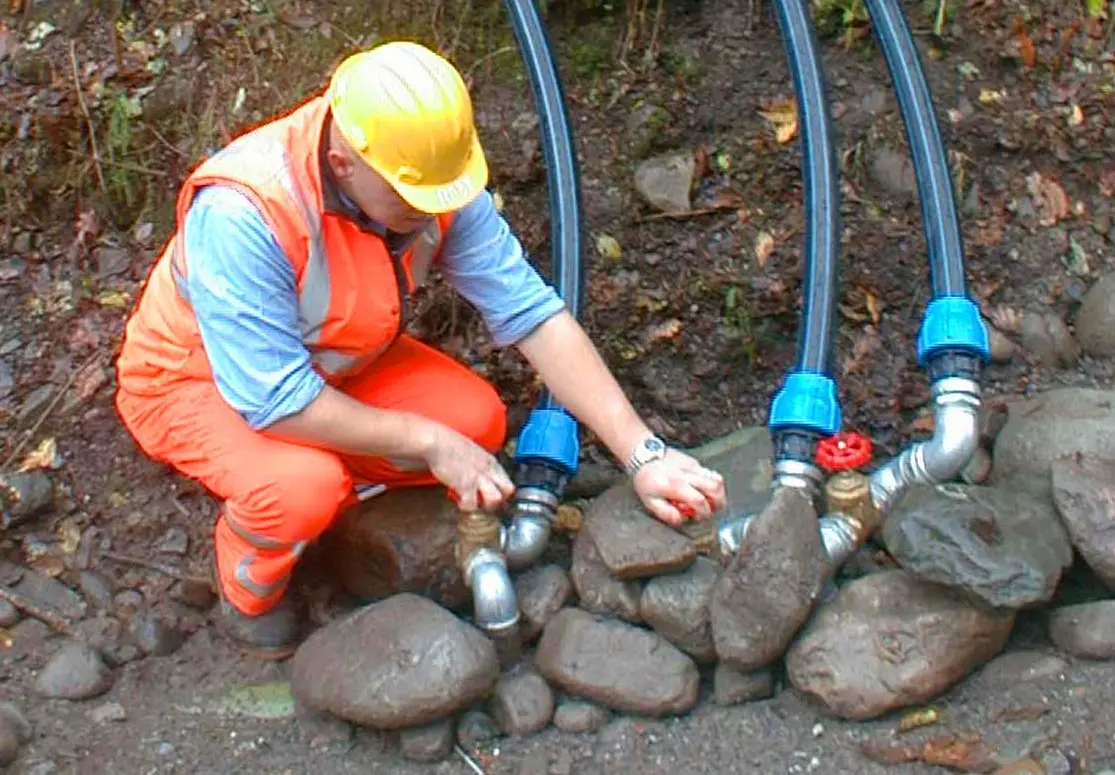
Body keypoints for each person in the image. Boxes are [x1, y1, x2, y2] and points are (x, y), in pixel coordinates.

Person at [113, 40, 727, 659]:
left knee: (476, 422)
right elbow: (275, 400)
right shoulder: (246, 212)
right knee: (303, 488)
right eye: (413, 201)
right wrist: (428, 444)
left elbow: (532, 313)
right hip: (198, 382)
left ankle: (337, 511)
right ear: (342, 164)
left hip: (334, 361)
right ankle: (250, 588)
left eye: (444, 193)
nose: (434, 211)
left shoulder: (432, 178)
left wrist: (642, 454)